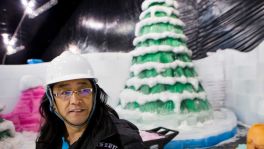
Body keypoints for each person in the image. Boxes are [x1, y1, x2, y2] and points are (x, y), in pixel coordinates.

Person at [36, 51, 144, 149]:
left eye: (84, 90)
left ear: (94, 95)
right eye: (64, 92)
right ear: (52, 100)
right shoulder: (49, 136)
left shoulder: (119, 138)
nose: (75, 100)